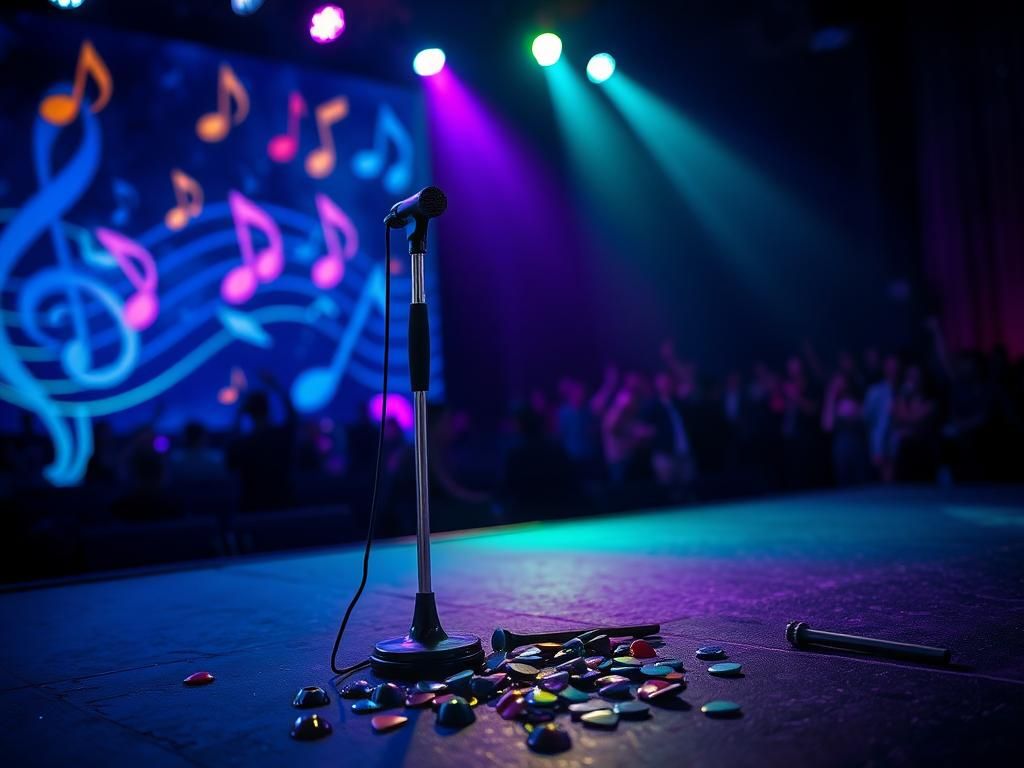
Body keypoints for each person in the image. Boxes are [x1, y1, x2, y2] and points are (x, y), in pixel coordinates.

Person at [226, 371, 297, 512]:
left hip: (251, 510)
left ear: (248, 413)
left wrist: (239, 412)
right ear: (268, 410)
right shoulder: (281, 438)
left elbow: (231, 450)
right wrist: (277, 388)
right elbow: (293, 418)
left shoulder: (243, 445)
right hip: (284, 508)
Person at [821, 372, 871, 485]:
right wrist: (830, 397)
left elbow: (864, 420)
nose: (838, 385)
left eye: (840, 382)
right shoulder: (831, 402)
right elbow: (827, 426)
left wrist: (854, 413)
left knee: (861, 480)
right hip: (840, 446)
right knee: (843, 480)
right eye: (835, 383)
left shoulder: (854, 400)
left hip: (857, 443)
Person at [864, 354, 901, 482]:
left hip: (904, 442)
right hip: (883, 443)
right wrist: (876, 447)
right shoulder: (875, 392)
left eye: (895, 366)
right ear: (884, 368)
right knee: (885, 479)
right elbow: (869, 420)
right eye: (890, 366)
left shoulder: (905, 388)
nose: (893, 369)